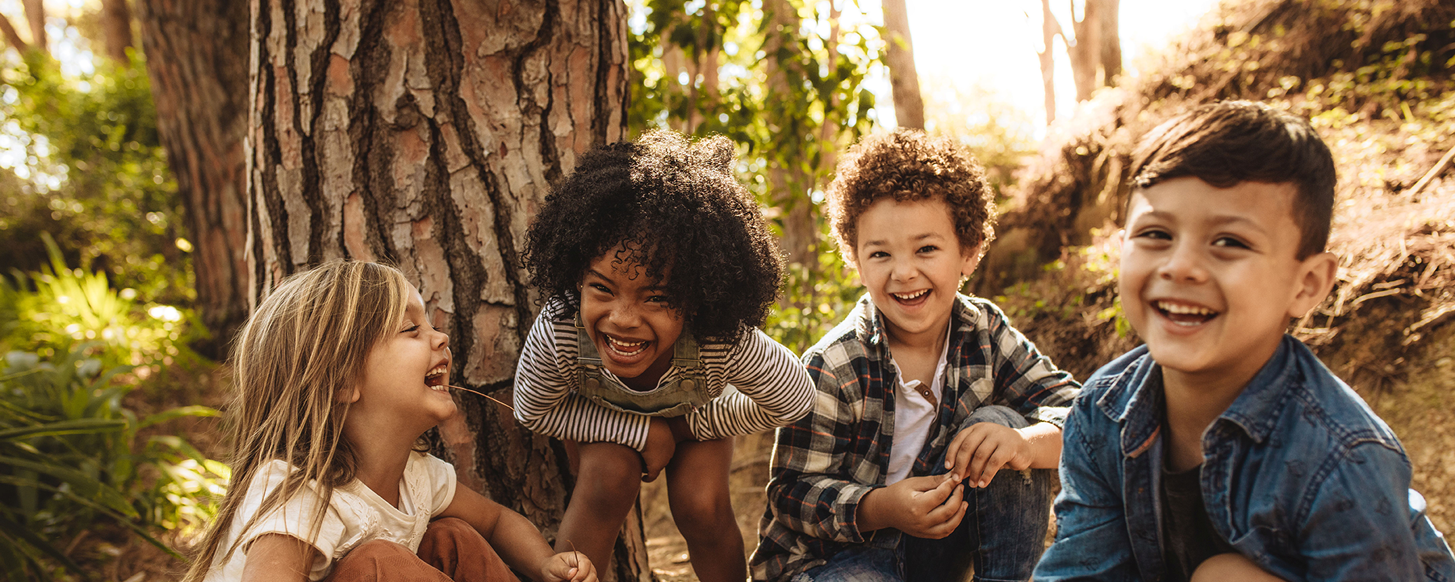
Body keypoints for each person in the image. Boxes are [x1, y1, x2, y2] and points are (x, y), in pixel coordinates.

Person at [1034, 101, 1455, 581]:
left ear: (1306, 285)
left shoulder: (1341, 455)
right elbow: (1083, 570)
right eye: (1155, 233)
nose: (1180, 266)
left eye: (1229, 242)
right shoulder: (1104, 410)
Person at [751, 130, 1081, 582]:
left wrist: (1025, 444)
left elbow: (1084, 417)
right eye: (881, 253)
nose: (904, 272)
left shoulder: (983, 333)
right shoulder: (833, 364)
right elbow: (791, 493)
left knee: (1003, 429)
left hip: (933, 554)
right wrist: (881, 508)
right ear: (857, 261)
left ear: (968, 251)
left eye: (926, 248)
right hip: (833, 561)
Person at [512, 130, 815, 582]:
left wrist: (682, 425)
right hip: (605, 424)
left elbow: (794, 399)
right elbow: (532, 410)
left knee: (701, 504)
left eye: (655, 296)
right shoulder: (560, 329)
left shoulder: (718, 339)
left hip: (696, 419)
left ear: (696, 298)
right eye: (602, 288)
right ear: (577, 277)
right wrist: (640, 430)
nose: (623, 318)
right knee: (606, 479)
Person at [182, 261, 596, 582]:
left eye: (431, 326)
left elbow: (496, 520)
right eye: (410, 329)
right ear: (342, 380)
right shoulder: (298, 491)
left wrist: (544, 564)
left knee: (454, 537)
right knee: (383, 563)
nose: (440, 338)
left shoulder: (417, 478)